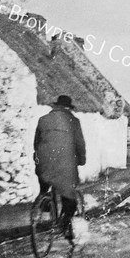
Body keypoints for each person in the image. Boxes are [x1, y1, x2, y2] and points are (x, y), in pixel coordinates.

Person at [33, 95, 86, 239]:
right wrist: (81, 160)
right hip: (65, 166)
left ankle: (43, 202)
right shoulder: (73, 122)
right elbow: (79, 144)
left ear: (55, 106)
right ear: (68, 108)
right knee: (70, 200)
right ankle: (63, 225)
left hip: (43, 164)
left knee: (45, 182)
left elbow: (36, 143)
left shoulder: (43, 120)